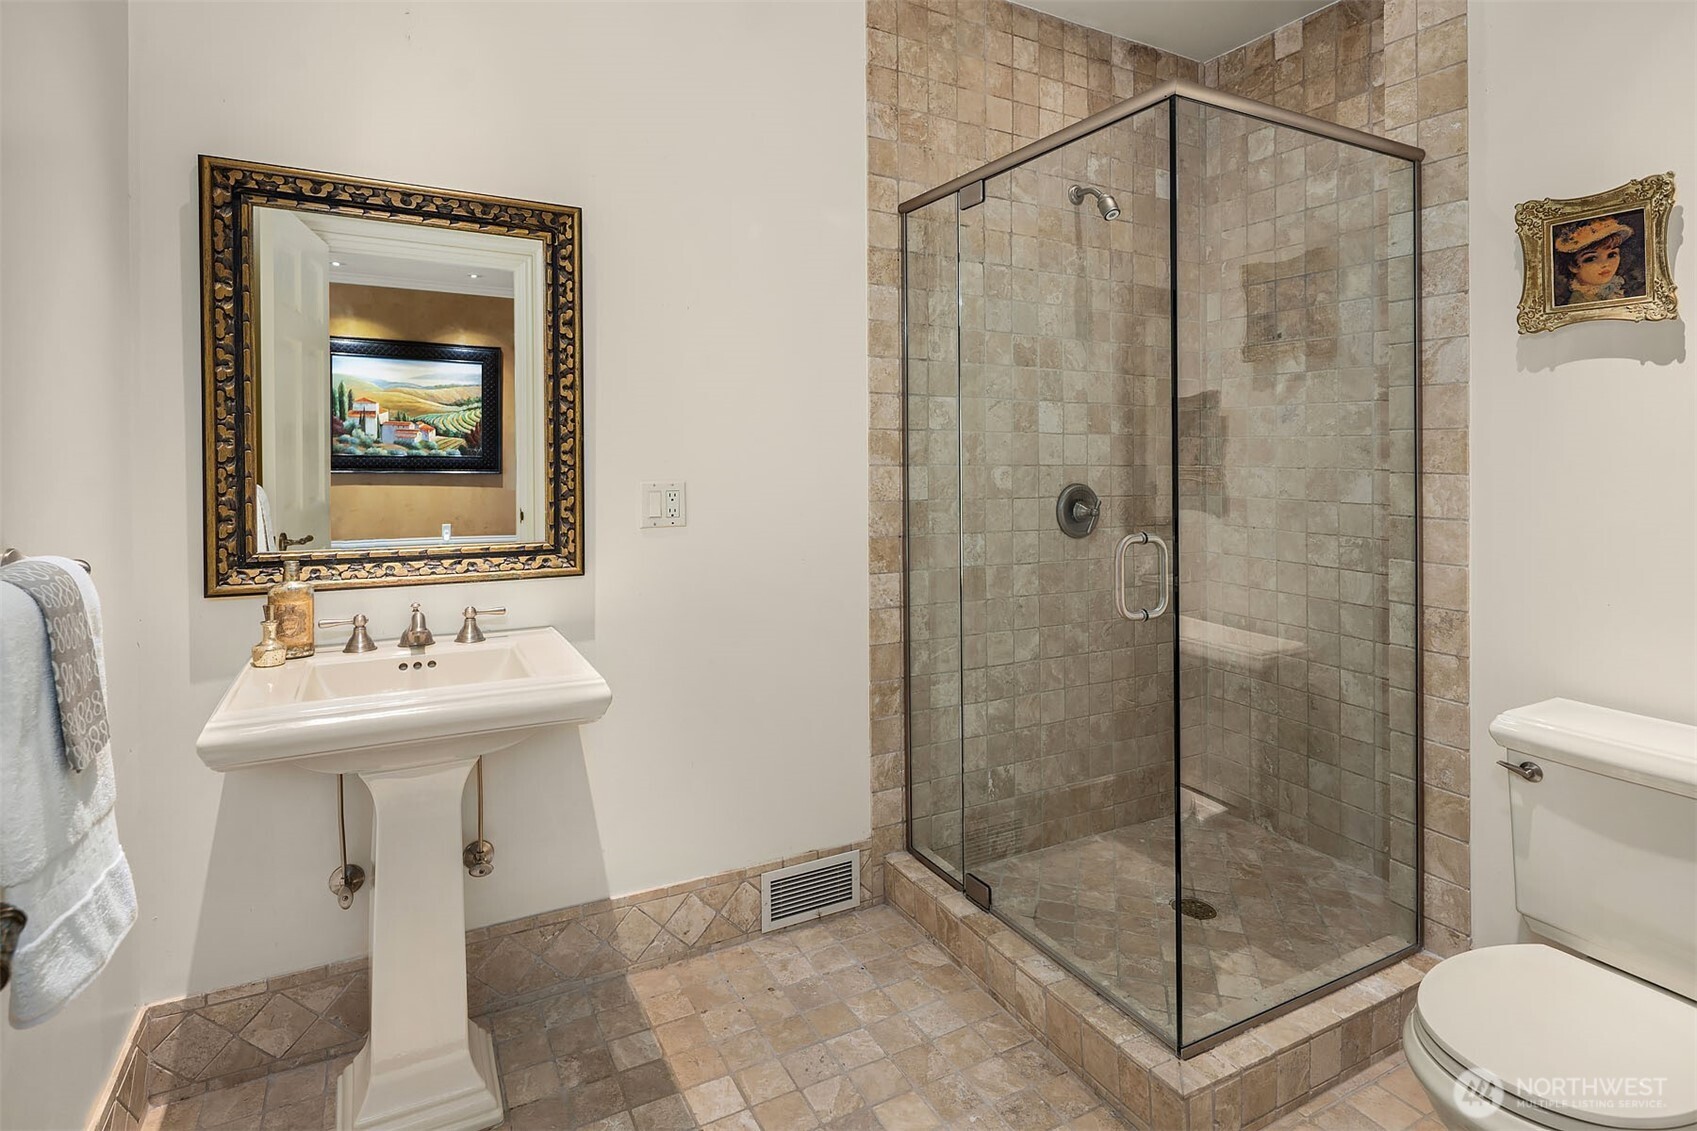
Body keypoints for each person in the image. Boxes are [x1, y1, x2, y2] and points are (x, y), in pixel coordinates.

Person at [1553, 215, 1634, 305]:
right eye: (1591, 258)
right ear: (1573, 266)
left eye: (1611, 255)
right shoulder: (1580, 301)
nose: (1605, 264)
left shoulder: (1616, 290)